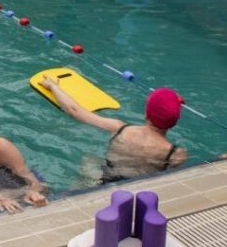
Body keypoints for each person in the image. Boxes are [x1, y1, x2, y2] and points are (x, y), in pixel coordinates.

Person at [41, 75, 189, 182]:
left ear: (146, 113)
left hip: (105, 179)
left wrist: (53, 86)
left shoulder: (120, 129)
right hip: (138, 191)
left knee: (89, 160)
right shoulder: (175, 154)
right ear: (175, 122)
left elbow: (74, 110)